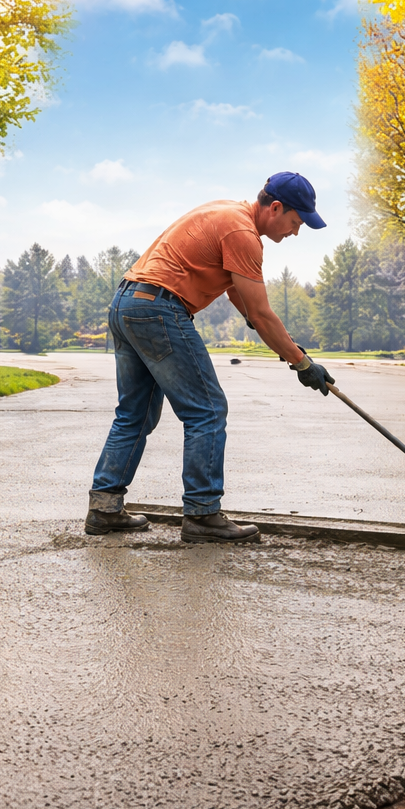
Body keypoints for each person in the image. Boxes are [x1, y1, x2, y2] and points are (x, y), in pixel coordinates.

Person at [84, 172, 334, 544]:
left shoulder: (227, 213)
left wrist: (287, 346)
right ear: (276, 208)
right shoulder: (243, 234)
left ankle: (104, 508)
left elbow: (241, 298)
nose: (296, 232)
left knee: (135, 412)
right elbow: (261, 313)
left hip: (127, 303)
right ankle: (203, 513)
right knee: (207, 410)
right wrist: (302, 363)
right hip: (159, 309)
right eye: (296, 222)